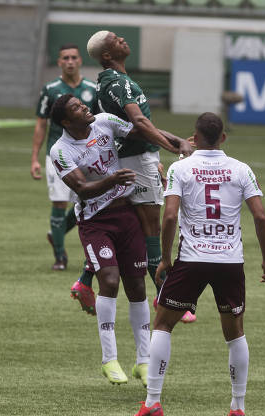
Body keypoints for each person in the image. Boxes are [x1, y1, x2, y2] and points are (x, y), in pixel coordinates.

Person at [135, 113, 265, 416]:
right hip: (230, 260)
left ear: (193, 138)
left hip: (192, 259)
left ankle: (153, 402)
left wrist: (166, 258)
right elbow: (261, 216)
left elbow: (170, 216)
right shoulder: (241, 169)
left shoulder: (180, 168)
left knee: (163, 323)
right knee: (235, 332)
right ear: (223, 137)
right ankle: (238, 406)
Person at [49, 94, 185, 386]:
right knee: (109, 280)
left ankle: (143, 362)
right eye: (76, 107)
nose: (85, 107)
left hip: (126, 216)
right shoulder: (60, 150)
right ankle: (109, 360)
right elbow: (82, 189)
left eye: (82, 103)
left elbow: (143, 129)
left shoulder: (104, 122)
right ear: (65, 121)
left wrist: (177, 143)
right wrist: (112, 180)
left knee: (136, 285)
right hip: (95, 222)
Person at [87, 30, 197, 324]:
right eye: (114, 39)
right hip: (138, 158)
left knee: (133, 224)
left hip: (131, 157)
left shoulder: (107, 84)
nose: (122, 38)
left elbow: (138, 125)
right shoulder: (119, 81)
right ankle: (167, 295)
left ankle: (85, 279)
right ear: (107, 55)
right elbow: (138, 122)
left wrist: (171, 143)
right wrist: (171, 148)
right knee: (152, 229)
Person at [30, 43, 99, 312]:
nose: (70, 62)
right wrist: (35, 157)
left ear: (80, 60)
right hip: (56, 154)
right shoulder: (50, 90)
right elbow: (40, 124)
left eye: (73, 57)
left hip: (88, 154)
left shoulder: (92, 90)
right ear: (59, 62)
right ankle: (60, 256)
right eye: (65, 58)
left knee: (86, 199)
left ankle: (55, 233)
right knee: (60, 202)